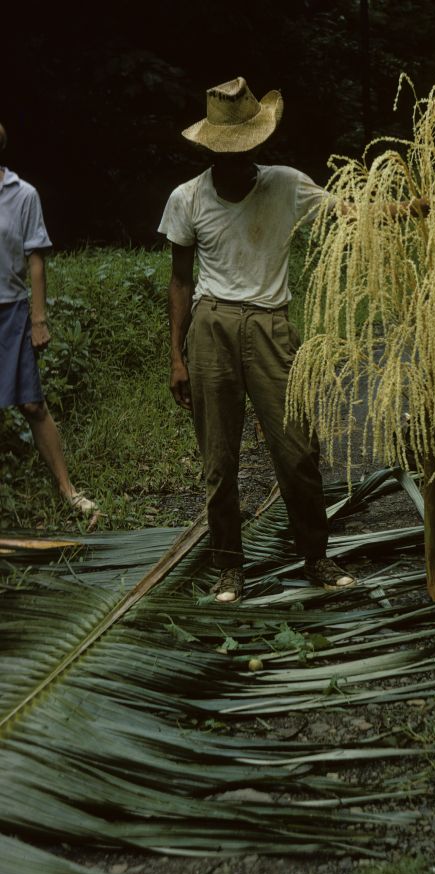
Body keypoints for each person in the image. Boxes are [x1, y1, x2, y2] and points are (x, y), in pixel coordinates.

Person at [158, 78, 356, 604]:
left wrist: (417, 207)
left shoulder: (287, 184)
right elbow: (180, 281)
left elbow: (351, 214)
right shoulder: (188, 198)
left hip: (271, 325)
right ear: (208, 148)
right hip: (212, 327)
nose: (235, 160)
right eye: (225, 151)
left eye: (244, 149)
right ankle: (230, 568)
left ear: (258, 145)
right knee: (218, 461)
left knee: (296, 451)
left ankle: (316, 555)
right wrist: (176, 357)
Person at [0, 123, 97, 515]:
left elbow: (35, 258)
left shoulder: (22, 195)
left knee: (32, 405)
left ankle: (68, 490)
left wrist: (38, 318)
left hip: (11, 311)